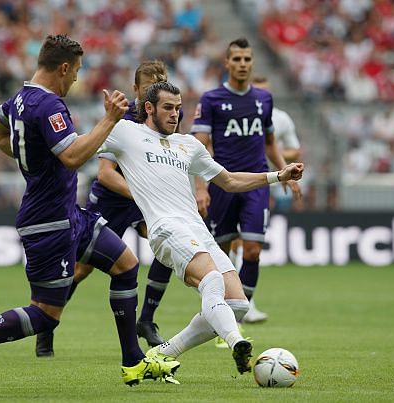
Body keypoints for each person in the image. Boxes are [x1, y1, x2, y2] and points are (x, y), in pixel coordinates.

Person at [0, 35, 179, 397]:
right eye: (75, 71)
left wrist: (31, 160)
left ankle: (132, 361)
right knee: (45, 314)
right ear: (63, 67)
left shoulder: (18, 98)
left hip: (69, 214)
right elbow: (74, 156)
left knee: (125, 265)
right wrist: (108, 120)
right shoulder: (49, 105)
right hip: (48, 221)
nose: (76, 78)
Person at [101, 81, 304, 377]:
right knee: (211, 280)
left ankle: (161, 354)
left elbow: (230, 181)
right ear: (148, 108)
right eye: (168, 108)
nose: (175, 114)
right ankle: (237, 342)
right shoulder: (126, 133)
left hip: (198, 230)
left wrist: (278, 175)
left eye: (178, 108)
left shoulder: (189, 145)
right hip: (165, 229)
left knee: (237, 304)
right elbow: (75, 148)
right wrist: (107, 118)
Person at [34, 61, 180, 357]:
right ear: (136, 89)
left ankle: (147, 321)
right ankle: (47, 324)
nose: (155, 92)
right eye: (149, 87)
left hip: (141, 203)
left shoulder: (170, 115)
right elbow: (105, 174)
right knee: (81, 270)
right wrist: (144, 193)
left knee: (170, 242)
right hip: (111, 201)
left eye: (160, 84)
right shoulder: (122, 119)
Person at [190, 38, 301, 334]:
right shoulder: (211, 99)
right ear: (226, 63)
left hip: (256, 184)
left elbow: (269, 141)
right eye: (236, 59)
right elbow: (197, 148)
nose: (242, 64)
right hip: (222, 186)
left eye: (247, 59)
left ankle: (236, 320)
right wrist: (200, 188)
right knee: (220, 256)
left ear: (252, 63)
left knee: (252, 251)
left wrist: (283, 172)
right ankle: (219, 317)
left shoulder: (263, 99)